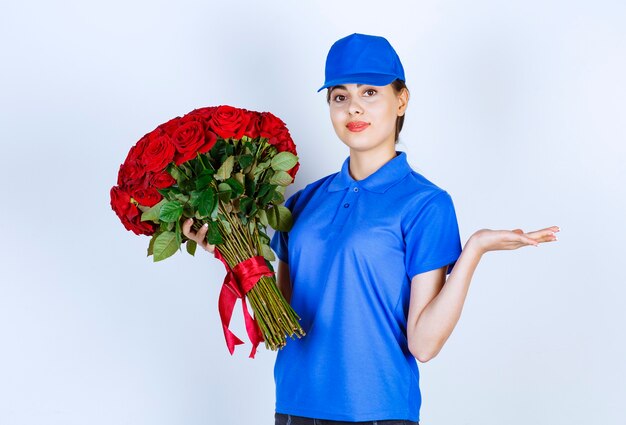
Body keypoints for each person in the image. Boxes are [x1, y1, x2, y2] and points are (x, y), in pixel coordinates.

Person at [183, 33, 559, 425]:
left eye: (370, 93)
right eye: (340, 96)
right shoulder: (303, 202)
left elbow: (424, 344)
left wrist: (475, 250)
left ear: (401, 100)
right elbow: (277, 319)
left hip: (378, 411)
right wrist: (229, 250)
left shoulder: (426, 204)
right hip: (295, 405)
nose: (354, 109)